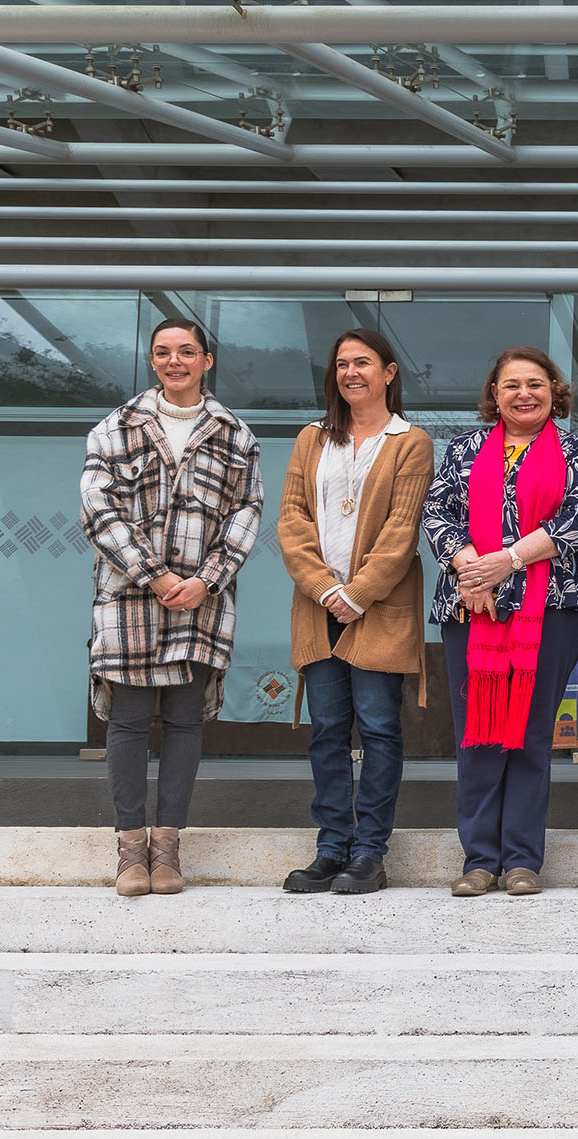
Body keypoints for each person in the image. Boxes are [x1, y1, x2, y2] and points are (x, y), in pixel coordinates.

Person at [80, 317, 262, 897]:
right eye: (163, 352)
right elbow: (97, 509)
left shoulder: (235, 434)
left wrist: (207, 579)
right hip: (130, 600)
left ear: (207, 360)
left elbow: (247, 512)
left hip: (201, 602)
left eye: (187, 351)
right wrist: (154, 575)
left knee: (186, 723)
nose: (174, 361)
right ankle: (130, 850)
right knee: (128, 722)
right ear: (152, 359)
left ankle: (168, 848)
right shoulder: (116, 428)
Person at [423, 346, 578, 898]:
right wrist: (472, 571)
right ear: (494, 395)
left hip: (550, 610)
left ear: (555, 392)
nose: (525, 393)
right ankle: (479, 859)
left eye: (536, 383)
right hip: (471, 607)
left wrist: (510, 560)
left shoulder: (577, 453)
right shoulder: (463, 449)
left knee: (530, 735)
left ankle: (522, 860)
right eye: (512, 384)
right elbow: (438, 513)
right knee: (477, 733)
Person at [276, 328, 434, 895]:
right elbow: (291, 519)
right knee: (327, 730)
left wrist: (358, 593)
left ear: (389, 373)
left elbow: (402, 530)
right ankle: (330, 848)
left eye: (363, 363)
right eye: (341, 364)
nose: (351, 373)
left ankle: (369, 853)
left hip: (378, 607)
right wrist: (324, 589)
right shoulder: (311, 439)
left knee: (379, 728)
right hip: (318, 605)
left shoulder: (410, 441)